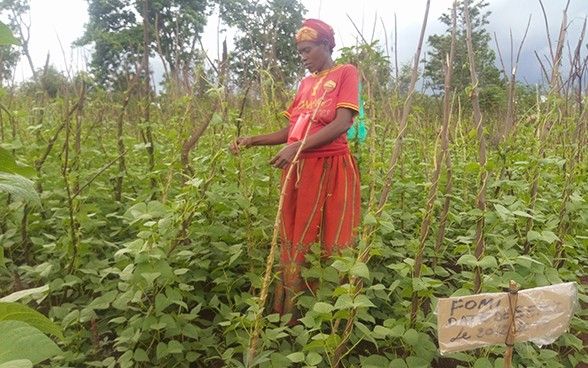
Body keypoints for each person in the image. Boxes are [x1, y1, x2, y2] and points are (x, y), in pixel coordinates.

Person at [230, 19, 361, 322]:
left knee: (331, 239)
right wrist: (253, 140)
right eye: (299, 51)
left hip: (330, 168)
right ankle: (293, 311)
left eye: (307, 50)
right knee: (297, 236)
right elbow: (292, 129)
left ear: (326, 45)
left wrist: (297, 147)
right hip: (299, 171)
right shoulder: (305, 84)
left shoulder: (346, 72)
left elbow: (343, 123)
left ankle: (331, 314)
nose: (302, 56)